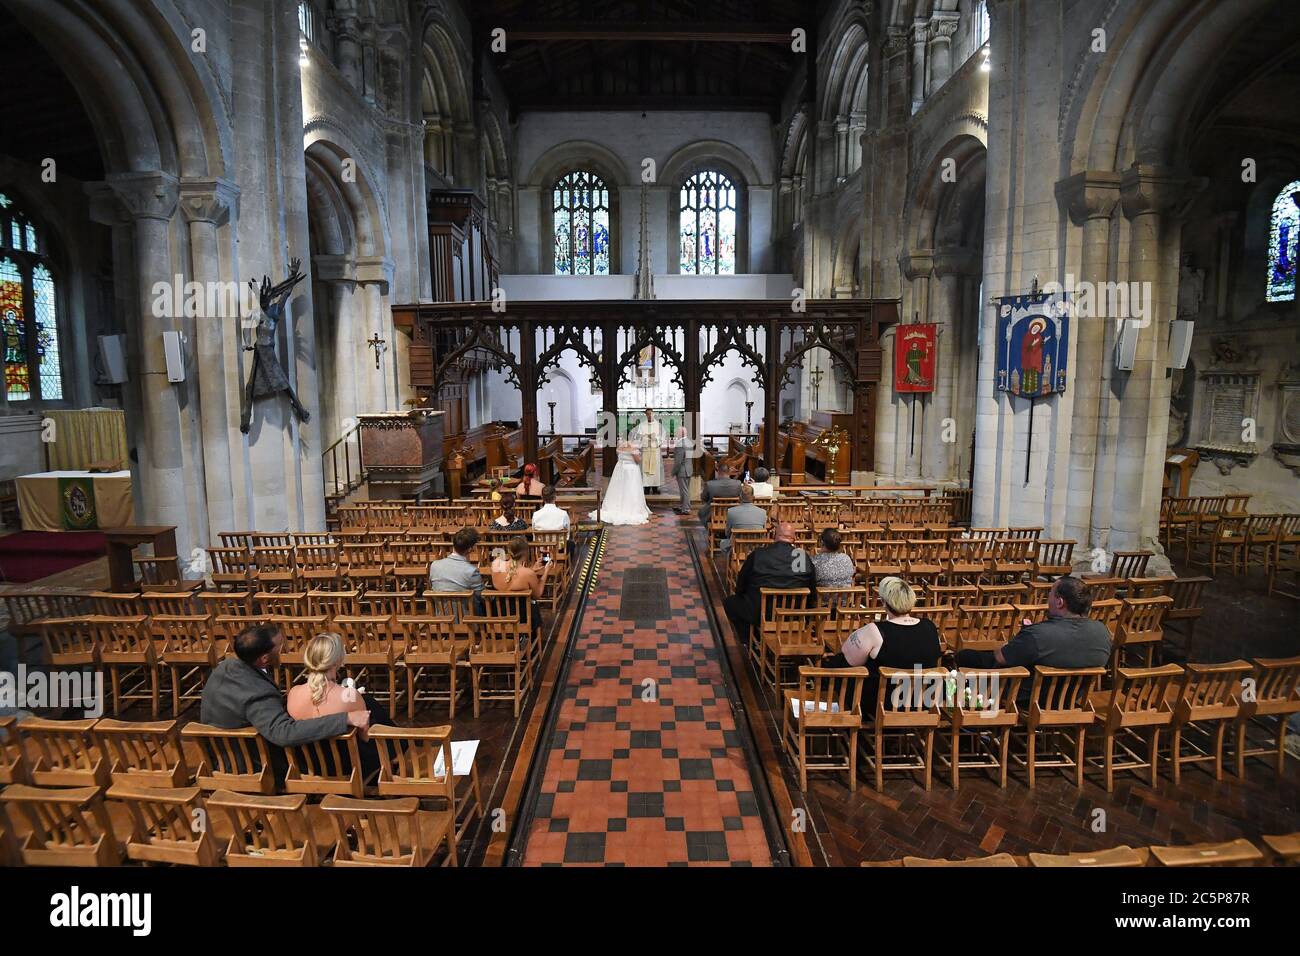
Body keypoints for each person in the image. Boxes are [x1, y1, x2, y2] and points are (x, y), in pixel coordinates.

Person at [200, 623, 369, 783]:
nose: (286, 648)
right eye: (281, 646)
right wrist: (343, 718)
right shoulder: (256, 693)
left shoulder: (225, 667)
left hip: (221, 752)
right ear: (265, 658)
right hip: (246, 764)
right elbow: (284, 733)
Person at [955, 574, 1111, 674]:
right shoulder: (1103, 632)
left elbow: (1001, 657)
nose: (1047, 598)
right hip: (1073, 699)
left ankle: (965, 711)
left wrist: (1017, 640)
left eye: (1050, 593)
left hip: (1028, 697)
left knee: (966, 656)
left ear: (1059, 602)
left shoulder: (1039, 635)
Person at [827, 576, 941, 708]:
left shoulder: (875, 631)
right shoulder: (930, 627)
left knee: (840, 664)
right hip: (921, 701)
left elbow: (847, 655)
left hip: (883, 704)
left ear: (884, 602)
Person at [286, 631, 385, 779]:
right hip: (346, 768)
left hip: (308, 766)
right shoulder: (350, 696)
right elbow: (366, 738)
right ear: (337, 661)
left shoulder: (293, 693)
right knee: (374, 710)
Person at [725, 521, 816, 643]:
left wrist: (742, 594)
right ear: (794, 538)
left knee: (730, 603)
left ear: (774, 536)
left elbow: (741, 583)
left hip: (760, 613)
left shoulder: (759, 554)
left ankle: (749, 640)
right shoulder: (803, 557)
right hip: (793, 614)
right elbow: (812, 588)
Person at [591, 437, 651, 525]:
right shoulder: (633, 448)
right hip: (631, 471)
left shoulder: (620, 446)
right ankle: (630, 508)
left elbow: (618, 453)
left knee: (618, 488)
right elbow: (638, 460)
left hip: (620, 469)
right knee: (630, 489)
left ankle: (614, 506)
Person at [429, 527, 486, 613]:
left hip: (442, 620)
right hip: (467, 620)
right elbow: (482, 596)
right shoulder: (471, 571)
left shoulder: (434, 565)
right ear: (471, 549)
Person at [723, 484, 767, 554]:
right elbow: (763, 532)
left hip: (737, 549)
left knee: (723, 543)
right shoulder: (763, 512)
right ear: (753, 497)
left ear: (739, 497)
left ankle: (730, 562)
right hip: (756, 550)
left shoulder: (731, 511)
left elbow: (727, 533)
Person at [698, 460, 743, 525]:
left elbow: (704, 498)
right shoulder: (738, 484)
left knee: (701, 512)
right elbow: (741, 498)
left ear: (718, 471)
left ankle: (710, 529)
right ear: (729, 472)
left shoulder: (710, 484)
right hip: (732, 514)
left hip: (713, 514)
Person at [635, 407, 664, 494]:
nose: (649, 416)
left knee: (655, 469)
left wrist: (656, 438)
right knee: (645, 469)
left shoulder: (658, 425)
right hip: (646, 450)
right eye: (647, 414)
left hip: (655, 450)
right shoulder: (642, 425)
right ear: (646, 415)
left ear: (653, 414)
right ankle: (646, 487)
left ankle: (655, 487)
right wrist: (646, 437)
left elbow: (663, 436)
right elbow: (638, 437)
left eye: (651, 414)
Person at [671, 433, 692, 515]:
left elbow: (678, 462)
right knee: (685, 490)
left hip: (682, 470)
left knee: (684, 490)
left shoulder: (681, 444)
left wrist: (674, 471)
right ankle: (683, 506)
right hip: (688, 469)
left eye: (678, 432)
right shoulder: (688, 441)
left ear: (681, 434)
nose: (677, 433)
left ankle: (686, 508)